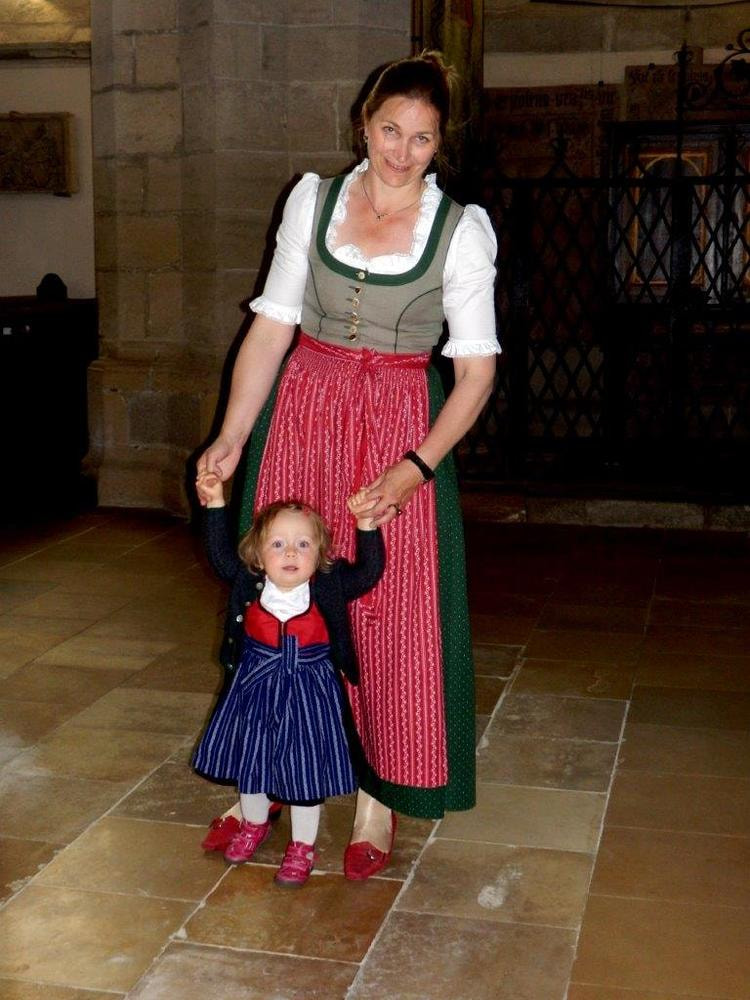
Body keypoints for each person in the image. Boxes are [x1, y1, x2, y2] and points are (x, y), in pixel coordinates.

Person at [196, 50, 500, 879]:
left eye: (422, 139)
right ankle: (261, 778)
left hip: (399, 425)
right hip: (304, 413)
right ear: (364, 124)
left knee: (387, 612)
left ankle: (378, 793)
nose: (402, 152)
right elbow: (272, 325)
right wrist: (233, 435)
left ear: (441, 143)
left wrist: (414, 470)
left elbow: (475, 374)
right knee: (279, 593)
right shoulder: (314, 201)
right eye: (390, 130)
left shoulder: (461, 232)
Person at [193, 475, 385, 887]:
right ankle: (254, 823)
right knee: (252, 762)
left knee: (304, 771)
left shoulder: (328, 586)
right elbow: (219, 555)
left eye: (303, 544)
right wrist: (215, 503)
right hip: (255, 689)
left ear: (321, 553)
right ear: (258, 555)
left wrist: (366, 526)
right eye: (278, 544)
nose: (291, 552)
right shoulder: (249, 582)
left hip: (309, 694)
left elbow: (369, 573)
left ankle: (302, 846)